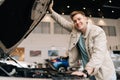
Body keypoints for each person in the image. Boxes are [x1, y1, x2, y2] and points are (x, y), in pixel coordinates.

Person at [48, 0, 117, 80]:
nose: (77, 22)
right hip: (89, 74)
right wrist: (51, 11)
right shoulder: (76, 30)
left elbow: (98, 54)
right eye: (75, 21)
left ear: (86, 19)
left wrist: (86, 71)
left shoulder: (97, 32)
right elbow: (63, 22)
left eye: (79, 19)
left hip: (103, 74)